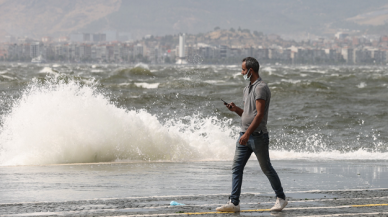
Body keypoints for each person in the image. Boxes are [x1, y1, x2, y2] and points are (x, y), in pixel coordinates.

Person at [216, 57, 287, 212]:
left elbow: (260, 115)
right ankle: (234, 203)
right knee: (236, 168)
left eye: (243, 69)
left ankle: (281, 198)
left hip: (257, 136)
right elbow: (248, 114)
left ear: (250, 71)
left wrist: (248, 134)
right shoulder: (247, 88)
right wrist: (236, 110)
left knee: (266, 168)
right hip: (245, 135)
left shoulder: (261, 88)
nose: (241, 72)